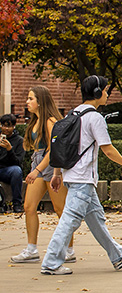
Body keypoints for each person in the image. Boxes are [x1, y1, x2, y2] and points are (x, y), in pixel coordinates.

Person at [39, 75, 122, 275]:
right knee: (69, 220)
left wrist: (58, 173)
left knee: (96, 219)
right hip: (83, 179)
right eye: (105, 90)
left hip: (73, 177)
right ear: (97, 93)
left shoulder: (72, 114)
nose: (107, 94)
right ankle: (51, 262)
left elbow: (59, 147)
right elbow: (107, 149)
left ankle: (117, 255)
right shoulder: (95, 118)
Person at [11, 87, 74, 264]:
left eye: (30, 98)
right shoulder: (35, 121)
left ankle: (69, 250)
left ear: (41, 101)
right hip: (38, 162)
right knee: (29, 206)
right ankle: (31, 249)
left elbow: (53, 150)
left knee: (61, 209)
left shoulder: (50, 121)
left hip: (50, 166)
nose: (27, 102)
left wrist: (37, 170)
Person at [0, 113, 24, 213]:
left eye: (9, 126)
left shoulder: (19, 141)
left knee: (16, 170)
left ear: (14, 126)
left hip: (9, 170)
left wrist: (10, 150)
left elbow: (17, 162)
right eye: (3, 125)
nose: (6, 129)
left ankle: (17, 203)